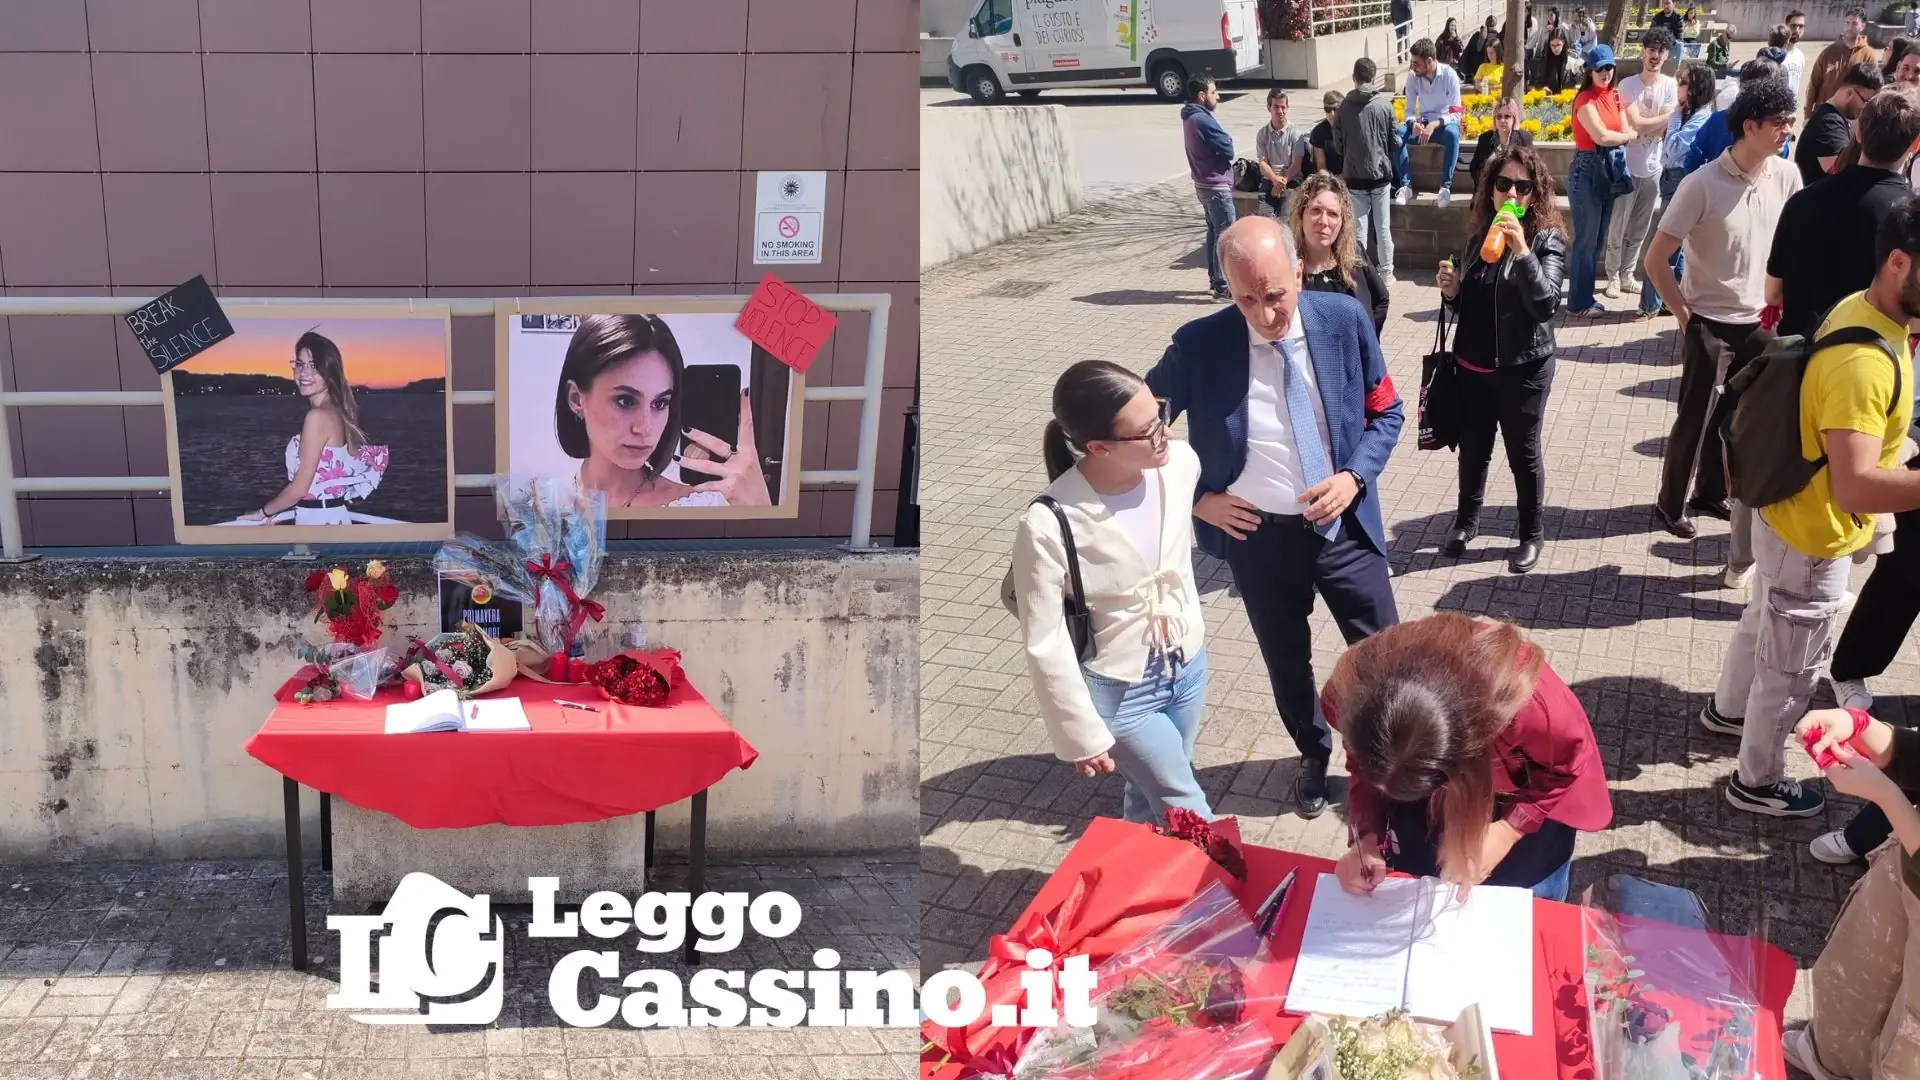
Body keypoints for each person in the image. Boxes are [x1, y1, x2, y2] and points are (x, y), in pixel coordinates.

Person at [1144, 215, 1404, 818]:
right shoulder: (1199, 344)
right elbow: (1136, 432)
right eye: (1246, 299)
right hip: (1257, 537)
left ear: (1300, 269)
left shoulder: (1344, 321)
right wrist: (1194, 499)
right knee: (1287, 660)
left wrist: (1353, 476)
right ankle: (1312, 754)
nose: (1264, 315)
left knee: (1385, 657)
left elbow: (1386, 413)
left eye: (1276, 295)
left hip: (1343, 527)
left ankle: (1388, 758)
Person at [1698, 197, 1920, 819]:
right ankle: (1758, 780)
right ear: (1900, 262)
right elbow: (1855, 487)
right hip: (1816, 534)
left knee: (1763, 616)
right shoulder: (1864, 364)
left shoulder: (1864, 310)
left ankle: (1727, 710)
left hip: (1785, 512)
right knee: (1792, 674)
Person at [1010, 361, 1212, 824]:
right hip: (1121, 690)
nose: (1164, 433)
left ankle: (1137, 880)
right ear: (1098, 447)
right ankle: (1231, 888)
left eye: (1160, 414)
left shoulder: (1181, 464)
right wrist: (1080, 732)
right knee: (1184, 800)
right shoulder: (1049, 522)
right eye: (1147, 430)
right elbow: (1044, 640)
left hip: (1188, 662)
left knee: (1149, 794)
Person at [1324, 614, 1612, 902]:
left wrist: (1509, 830)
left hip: (1526, 791)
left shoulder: (1534, 711)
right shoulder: (1348, 695)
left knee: (1532, 901)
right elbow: (1364, 768)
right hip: (1434, 786)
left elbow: (1563, 769)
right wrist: (1366, 835)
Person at [1644, 79, 1802, 541]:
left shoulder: (1787, 176)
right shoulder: (1702, 184)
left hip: (1759, 322)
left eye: (1790, 121)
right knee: (1692, 417)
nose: (1787, 130)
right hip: (1706, 321)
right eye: (1779, 123)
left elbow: (1790, 246)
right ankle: (1669, 503)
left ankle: (1709, 492)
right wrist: (1684, 317)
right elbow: (1656, 259)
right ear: (1749, 126)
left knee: (1736, 418)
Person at [1437, 146, 1566, 574]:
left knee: (1522, 455)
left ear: (1534, 194)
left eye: (1522, 186)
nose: (1512, 192)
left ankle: (1531, 533)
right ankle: (1465, 522)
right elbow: (1468, 309)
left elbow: (1546, 304)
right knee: (1473, 451)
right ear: (1491, 189)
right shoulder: (1477, 237)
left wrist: (1523, 250)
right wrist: (1453, 291)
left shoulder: (1546, 239)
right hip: (1473, 368)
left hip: (1522, 368)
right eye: (1503, 183)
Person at [1780, 706, 1920, 1075]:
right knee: (1859, 971)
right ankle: (1829, 1057)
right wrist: (1864, 728)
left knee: (1908, 1043)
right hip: (1907, 857)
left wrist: (1887, 797)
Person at [552, 314, 767, 509]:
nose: (645, 428)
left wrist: (760, 513)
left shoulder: (696, 506)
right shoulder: (542, 503)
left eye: (660, 403)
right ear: (576, 398)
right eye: (625, 400)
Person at [232, 330, 389, 526]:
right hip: (330, 517)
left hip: (319, 523)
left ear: (330, 372)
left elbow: (299, 489)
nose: (303, 373)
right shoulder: (338, 411)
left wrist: (261, 512)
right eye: (299, 364)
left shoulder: (317, 417)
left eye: (314, 366)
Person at [1637, 61, 1719, 318]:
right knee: (1677, 246)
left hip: (1681, 179)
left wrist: (1672, 116)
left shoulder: (1700, 117)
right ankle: (1667, 300)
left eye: (1683, 82)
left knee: (1660, 243)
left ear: (1695, 88)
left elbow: (1673, 148)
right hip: (1672, 178)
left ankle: (1650, 303)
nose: (1678, 86)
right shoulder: (1687, 114)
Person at [1603, 29, 1679, 302]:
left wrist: (1658, 121)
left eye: (1660, 50)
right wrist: (1662, 117)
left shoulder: (1671, 85)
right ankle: (1611, 277)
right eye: (1651, 49)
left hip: (1654, 168)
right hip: (1627, 166)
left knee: (1641, 228)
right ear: (1642, 52)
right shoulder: (1627, 85)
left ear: (1667, 55)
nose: (1655, 55)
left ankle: (1627, 274)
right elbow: (1635, 123)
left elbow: (1668, 126)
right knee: (1618, 225)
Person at [1566, 44, 1635, 316]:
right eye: (1599, 69)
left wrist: (1624, 135)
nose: (1605, 73)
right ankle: (1577, 304)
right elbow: (1602, 136)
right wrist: (1627, 138)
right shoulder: (1585, 100)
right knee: (1586, 239)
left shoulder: (1614, 96)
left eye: (1609, 67)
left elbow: (1623, 126)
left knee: (1597, 240)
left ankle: (1585, 298)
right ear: (1590, 71)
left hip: (1606, 170)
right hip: (1586, 170)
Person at [1291, 172, 1390, 338]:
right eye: (1316, 210)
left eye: (1332, 214)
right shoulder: (1287, 266)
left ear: (1342, 221)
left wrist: (1367, 341)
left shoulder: (1355, 256)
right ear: (1301, 214)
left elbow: (1381, 300)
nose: (1323, 221)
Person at [1334, 57, 1402, 279]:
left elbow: (1338, 146)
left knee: (1359, 231)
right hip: (1381, 175)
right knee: (1383, 228)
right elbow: (1395, 142)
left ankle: (1361, 275)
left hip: (1354, 176)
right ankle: (1387, 273)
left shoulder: (1343, 107)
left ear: (1354, 78)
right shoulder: (1384, 105)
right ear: (1374, 79)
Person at [1182, 74, 1236, 301]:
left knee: (1214, 233)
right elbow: (1228, 147)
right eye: (1214, 93)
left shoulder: (1191, 117)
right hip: (1215, 187)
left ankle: (1216, 281)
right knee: (1226, 236)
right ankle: (1223, 285)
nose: (1218, 96)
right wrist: (1227, 140)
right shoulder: (1202, 120)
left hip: (1203, 185)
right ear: (1201, 95)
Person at [1395, 39, 1465, 207]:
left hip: (1442, 125)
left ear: (1429, 61)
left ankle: (1445, 188)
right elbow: (1408, 111)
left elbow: (1457, 114)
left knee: (1453, 134)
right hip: (1422, 125)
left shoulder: (1450, 76)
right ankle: (1406, 185)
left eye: (1416, 63)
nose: (1413, 67)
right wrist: (1413, 125)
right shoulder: (1413, 78)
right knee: (1396, 133)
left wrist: (1434, 124)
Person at [1686, 56, 1784, 173]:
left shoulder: (1717, 120)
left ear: (1741, 85)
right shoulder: (1777, 127)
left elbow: (1693, 158)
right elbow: (1782, 160)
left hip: (1718, 185)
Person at [1799, 62, 1884, 187]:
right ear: (1850, 93)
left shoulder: (1833, 118)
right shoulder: (1829, 124)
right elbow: (1841, 173)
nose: (1866, 109)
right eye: (1866, 102)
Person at [1807, 6, 1881, 121]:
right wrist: (1807, 115)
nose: (1849, 27)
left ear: (1863, 26)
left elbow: (1872, 90)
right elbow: (1813, 84)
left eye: (1854, 24)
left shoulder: (1868, 55)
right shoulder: (1828, 52)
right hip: (1823, 112)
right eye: (1847, 22)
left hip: (1850, 117)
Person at [1255, 87, 1308, 219]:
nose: (1280, 111)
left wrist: (1282, 182)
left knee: (1285, 220)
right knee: (1266, 221)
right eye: (1276, 107)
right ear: (1269, 108)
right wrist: (1274, 179)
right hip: (1270, 180)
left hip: (1291, 180)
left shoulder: (1295, 133)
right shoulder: (1262, 134)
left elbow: (1296, 165)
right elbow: (1262, 163)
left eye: (1283, 107)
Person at [1470, 96, 1535, 189]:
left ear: (1514, 119)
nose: (1502, 120)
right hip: (1489, 190)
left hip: (1516, 189)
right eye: (1499, 117)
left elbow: (1532, 167)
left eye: (1507, 116)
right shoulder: (1485, 139)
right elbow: (1474, 167)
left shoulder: (1524, 138)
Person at [1310, 90, 1345, 175]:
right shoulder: (1318, 132)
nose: (1332, 113)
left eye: (1335, 109)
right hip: (1330, 178)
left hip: (1352, 178)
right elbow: (1321, 167)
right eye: (1328, 109)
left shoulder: (1351, 128)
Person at [1534, 29, 1576, 93]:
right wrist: (1542, 88)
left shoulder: (1572, 60)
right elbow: (1537, 83)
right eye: (1552, 45)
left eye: (1558, 45)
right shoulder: (1543, 62)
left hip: (1568, 98)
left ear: (1564, 42)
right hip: (1550, 99)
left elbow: (1580, 82)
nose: (1555, 48)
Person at [1781, 9, 1809, 99]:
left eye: (1801, 26)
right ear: (1786, 26)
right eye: (1793, 26)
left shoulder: (1800, 56)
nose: (1797, 30)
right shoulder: (1775, 54)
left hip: (1791, 109)